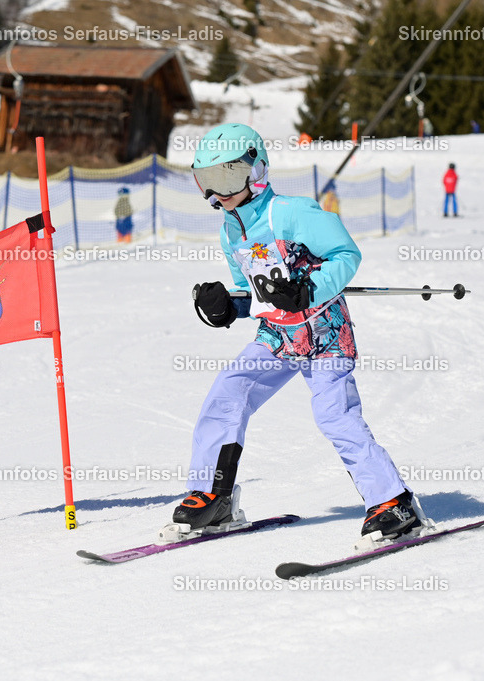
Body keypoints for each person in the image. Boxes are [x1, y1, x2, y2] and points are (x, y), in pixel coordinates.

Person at [172, 123, 420, 542]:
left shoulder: (292, 212)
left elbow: (346, 254)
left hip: (324, 334)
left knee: (334, 414)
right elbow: (252, 294)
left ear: (256, 170)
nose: (219, 192)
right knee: (228, 392)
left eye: (228, 177)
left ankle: (393, 502)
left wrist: (308, 290)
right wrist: (228, 306)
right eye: (208, 181)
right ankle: (213, 497)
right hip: (278, 338)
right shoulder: (230, 230)